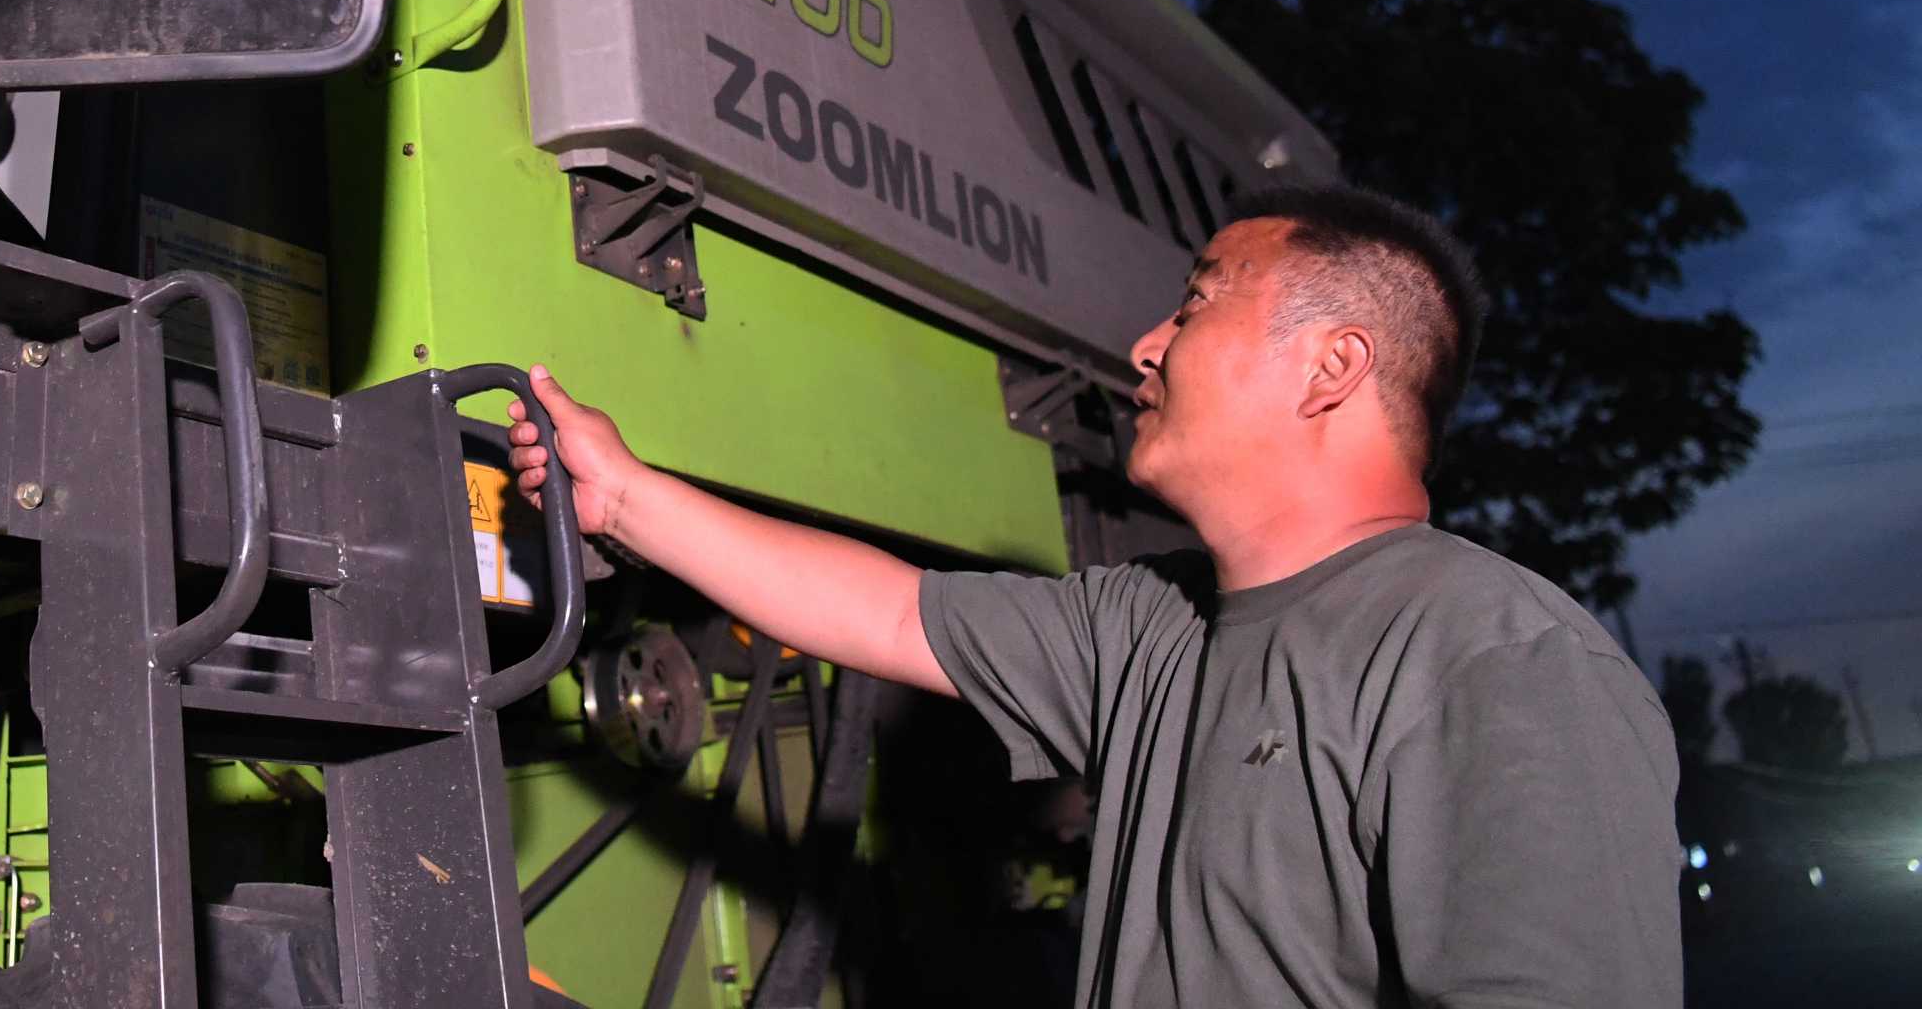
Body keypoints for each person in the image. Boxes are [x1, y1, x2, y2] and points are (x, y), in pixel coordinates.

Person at [509, 185, 1683, 1009]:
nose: (1144, 342)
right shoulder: (1149, 625)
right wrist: (622, 497)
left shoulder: (1496, 658)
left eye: (1198, 300)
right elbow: (889, 610)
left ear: (1333, 365)